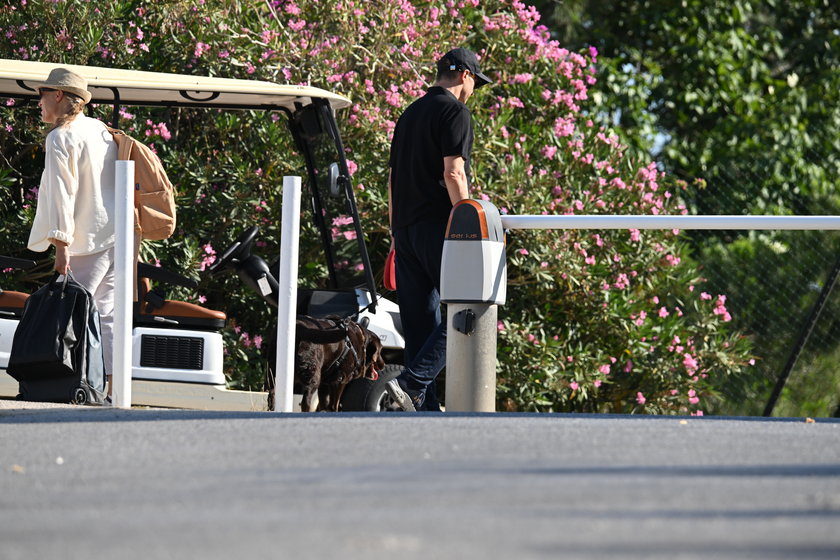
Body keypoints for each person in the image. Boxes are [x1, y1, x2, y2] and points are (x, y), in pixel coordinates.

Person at [387, 47, 492, 410]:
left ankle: (422, 407)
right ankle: (413, 381)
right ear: (465, 75)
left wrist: (394, 232)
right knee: (472, 306)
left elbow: (392, 179)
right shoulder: (455, 111)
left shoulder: (409, 114)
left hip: (404, 230)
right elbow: (454, 173)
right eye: (476, 83)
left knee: (420, 323)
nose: (473, 91)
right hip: (440, 228)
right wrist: (469, 224)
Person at [28, 67, 119, 399]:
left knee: (71, 314)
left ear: (58, 95)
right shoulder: (99, 129)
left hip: (84, 240)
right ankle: (112, 390)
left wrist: (61, 244)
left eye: (42, 95)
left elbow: (62, 195)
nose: (38, 103)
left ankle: (71, 384)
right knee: (107, 315)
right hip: (116, 236)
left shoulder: (60, 137)